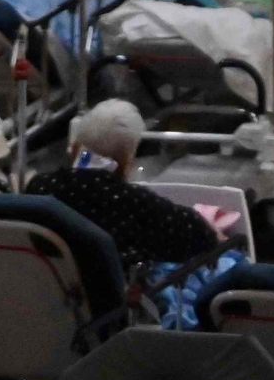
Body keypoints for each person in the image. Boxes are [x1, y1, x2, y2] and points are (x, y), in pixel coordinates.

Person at [31, 100, 219, 275]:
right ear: (126, 163)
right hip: (105, 304)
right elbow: (202, 239)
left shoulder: (39, 189)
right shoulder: (132, 203)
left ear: (74, 148)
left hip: (42, 291)